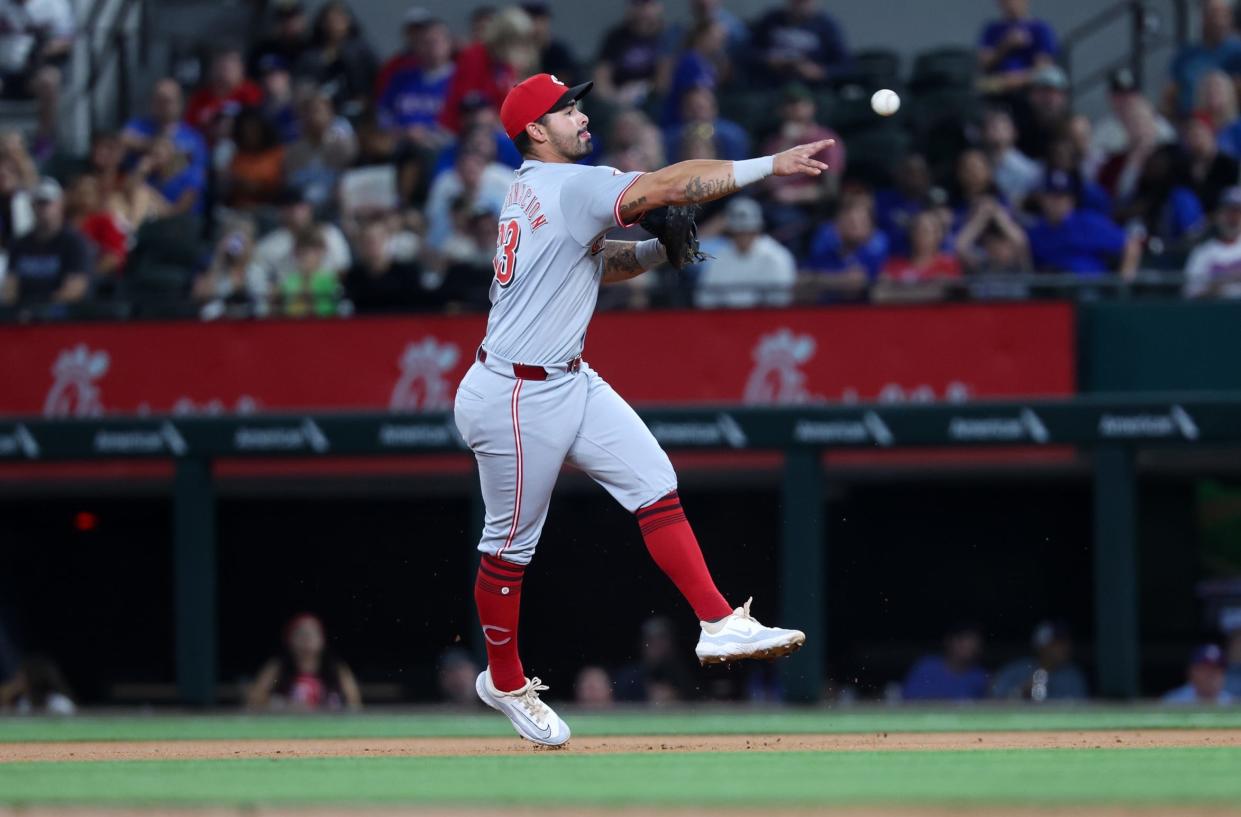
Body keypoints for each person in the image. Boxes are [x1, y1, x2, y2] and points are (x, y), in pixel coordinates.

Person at [459, 72, 821, 746]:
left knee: (653, 482)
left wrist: (658, 250)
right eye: (566, 108)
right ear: (536, 130)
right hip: (514, 391)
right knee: (508, 551)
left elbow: (595, 263)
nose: (580, 113)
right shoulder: (568, 184)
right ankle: (503, 678)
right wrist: (768, 165)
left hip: (563, 376)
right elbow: (670, 185)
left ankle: (717, 622)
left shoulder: (536, 189)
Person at [439, 7, 537, 135]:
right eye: (516, 41)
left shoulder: (507, 64)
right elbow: (467, 99)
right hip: (461, 129)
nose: (521, 47)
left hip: (496, 130)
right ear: (502, 39)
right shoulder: (474, 55)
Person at [1027, 170, 1141, 277]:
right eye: (1052, 196)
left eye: (1062, 196)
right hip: (1053, 292)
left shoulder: (1088, 222)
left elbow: (1131, 245)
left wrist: (1122, 285)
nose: (1057, 202)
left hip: (1090, 290)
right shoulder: (1036, 232)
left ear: (1072, 200)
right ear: (1042, 199)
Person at [0, 177, 91, 311]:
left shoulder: (74, 243)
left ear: (60, 205)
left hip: (60, 319)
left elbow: (75, 288)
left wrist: (42, 309)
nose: (42, 208)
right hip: (22, 318)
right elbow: (10, 287)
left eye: (47, 202)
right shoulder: (20, 244)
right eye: (38, 203)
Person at [0, 0, 74, 155]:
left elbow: (66, 40)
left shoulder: (54, 4)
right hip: (4, 70)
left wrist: (43, 49)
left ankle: (44, 139)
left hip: (33, 70)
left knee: (49, 80)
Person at [246, 613, 362, 711]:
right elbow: (255, 700)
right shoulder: (278, 667)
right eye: (300, 634)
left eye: (312, 633)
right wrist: (285, 705)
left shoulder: (336, 668)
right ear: (290, 639)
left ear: (322, 640)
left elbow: (354, 703)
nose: (307, 638)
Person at [695, 197, 796, 308]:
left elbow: (781, 301)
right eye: (738, 232)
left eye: (748, 231)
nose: (743, 237)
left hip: (765, 319)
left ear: (757, 230)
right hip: (727, 319)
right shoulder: (720, 257)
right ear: (730, 232)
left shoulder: (776, 257)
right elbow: (705, 299)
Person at [253, 188, 351, 296]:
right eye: (289, 207)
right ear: (281, 210)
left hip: (328, 297)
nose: (296, 212)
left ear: (309, 208)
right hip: (287, 302)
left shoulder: (330, 233)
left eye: (300, 206)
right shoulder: (268, 245)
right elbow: (261, 283)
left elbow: (344, 269)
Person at [376, 17, 454, 151]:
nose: (431, 47)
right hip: (400, 144)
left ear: (448, 43)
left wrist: (427, 133)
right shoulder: (401, 78)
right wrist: (401, 132)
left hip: (442, 146)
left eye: (435, 41)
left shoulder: (461, 79)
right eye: (425, 42)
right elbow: (383, 113)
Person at [296, 1, 377, 119]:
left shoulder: (361, 51)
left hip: (359, 112)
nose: (334, 24)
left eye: (339, 19)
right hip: (321, 115)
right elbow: (303, 85)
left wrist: (366, 100)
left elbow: (376, 78)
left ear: (348, 21)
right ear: (322, 23)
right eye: (330, 20)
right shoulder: (310, 55)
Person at [800, 196, 888, 303]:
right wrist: (837, 281)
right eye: (850, 221)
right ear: (837, 225)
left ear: (871, 228)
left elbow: (879, 290)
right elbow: (800, 280)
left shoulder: (878, 260)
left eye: (861, 222)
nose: (855, 226)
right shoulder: (823, 257)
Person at [1164, 0, 1241, 117]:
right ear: (1202, 16)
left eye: (1224, 14)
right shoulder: (1185, 55)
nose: (1218, 20)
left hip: (1226, 125)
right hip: (1190, 124)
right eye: (1213, 14)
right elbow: (1170, 95)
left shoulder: (1237, 53)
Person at [121, 79, 209, 179]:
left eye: (167, 101)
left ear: (179, 103)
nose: (162, 105)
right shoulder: (137, 126)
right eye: (158, 100)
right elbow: (122, 140)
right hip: (138, 190)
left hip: (177, 192)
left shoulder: (194, 138)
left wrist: (169, 157)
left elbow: (197, 179)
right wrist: (152, 145)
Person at [749, 0, 847, 87]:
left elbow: (846, 65)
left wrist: (820, 72)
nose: (800, 5)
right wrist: (768, 60)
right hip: (772, 83)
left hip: (809, 89)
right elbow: (748, 52)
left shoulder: (826, 25)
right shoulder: (771, 19)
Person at [593, 0, 671, 107]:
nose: (644, 11)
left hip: (653, 102)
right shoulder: (615, 37)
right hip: (618, 101)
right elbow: (601, 80)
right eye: (638, 4)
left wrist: (643, 89)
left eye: (648, 5)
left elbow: (664, 82)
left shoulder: (665, 37)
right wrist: (615, 97)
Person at [875, 210, 962, 303]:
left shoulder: (949, 265)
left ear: (938, 236)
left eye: (926, 231)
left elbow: (953, 295)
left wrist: (897, 291)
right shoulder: (893, 266)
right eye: (916, 229)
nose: (920, 235)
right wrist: (930, 289)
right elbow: (879, 294)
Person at [345, 218, 429, 313]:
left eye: (378, 239)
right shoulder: (353, 278)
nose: (373, 245)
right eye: (367, 241)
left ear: (388, 240)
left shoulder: (407, 274)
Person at [992, 620, 1089, 701]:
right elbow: (994, 697)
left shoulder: (1072, 676)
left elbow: (1080, 707)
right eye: (1057, 643)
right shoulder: (1018, 669)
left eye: (1065, 642)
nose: (1064, 648)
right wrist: (1021, 691)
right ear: (1041, 646)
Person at [977, 0, 1058, 94]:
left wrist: (1009, 82)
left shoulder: (1041, 29)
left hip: (1029, 90)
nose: (1011, 4)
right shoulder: (992, 30)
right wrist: (1005, 45)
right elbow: (984, 64)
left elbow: (1043, 69)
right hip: (995, 89)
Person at [613, 617, 698, 703]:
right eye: (651, 640)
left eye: (662, 639)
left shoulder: (683, 675)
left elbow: (696, 701)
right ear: (642, 643)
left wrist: (676, 697)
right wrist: (646, 698)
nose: (657, 645)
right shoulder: (628, 677)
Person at [193, 221, 266, 319]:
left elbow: (265, 298)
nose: (238, 246)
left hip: (254, 322)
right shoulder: (213, 266)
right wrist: (219, 258)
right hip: (218, 322)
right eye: (234, 240)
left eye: (242, 241)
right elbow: (200, 296)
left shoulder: (258, 270)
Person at [184, 48, 263, 136]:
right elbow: (189, 128)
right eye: (219, 67)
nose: (222, 73)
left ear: (241, 70)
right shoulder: (200, 97)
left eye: (228, 68)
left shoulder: (251, 94)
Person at [902, 624, 989, 701]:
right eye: (963, 642)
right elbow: (908, 699)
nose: (969, 648)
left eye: (974, 644)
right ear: (949, 642)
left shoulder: (979, 675)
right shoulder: (927, 667)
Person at [662, 86, 748, 163]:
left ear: (713, 108)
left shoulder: (731, 134)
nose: (696, 113)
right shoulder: (673, 136)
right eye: (691, 108)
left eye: (700, 108)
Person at [222, 107, 286, 210]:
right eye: (245, 129)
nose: (249, 134)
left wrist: (256, 187)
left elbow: (278, 185)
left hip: (269, 208)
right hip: (238, 209)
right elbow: (229, 183)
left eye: (254, 129)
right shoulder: (236, 156)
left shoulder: (276, 153)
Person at [1184, 185, 1241, 298]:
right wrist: (1220, 283)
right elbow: (1190, 294)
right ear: (1218, 215)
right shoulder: (1202, 252)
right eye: (1228, 212)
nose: (1233, 218)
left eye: (1237, 212)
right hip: (1214, 312)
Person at [982, 107, 1041, 207]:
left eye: (1003, 127)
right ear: (983, 132)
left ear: (1014, 132)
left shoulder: (1029, 169)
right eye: (992, 126)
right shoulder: (977, 164)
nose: (997, 131)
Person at [1183, 114, 1240, 215]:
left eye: (1198, 134)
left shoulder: (1228, 165)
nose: (1196, 140)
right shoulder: (1185, 167)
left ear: (1210, 132)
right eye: (1190, 135)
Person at [248, 0, 310, 78]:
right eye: (283, 18)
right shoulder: (263, 50)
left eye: (293, 17)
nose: (288, 23)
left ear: (303, 20)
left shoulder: (311, 49)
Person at [522, 2, 580, 84]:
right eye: (532, 19)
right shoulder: (518, 53)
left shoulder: (559, 52)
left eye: (541, 20)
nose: (537, 26)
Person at [0, 655, 75, 715]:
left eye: (21, 678)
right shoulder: (24, 703)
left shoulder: (60, 704)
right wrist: (8, 693)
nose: (17, 681)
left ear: (32, 679)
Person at [1162, 644, 1234, 704]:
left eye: (1217, 670)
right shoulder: (1173, 702)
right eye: (1205, 670)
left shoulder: (1232, 704)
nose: (1211, 675)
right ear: (1192, 672)